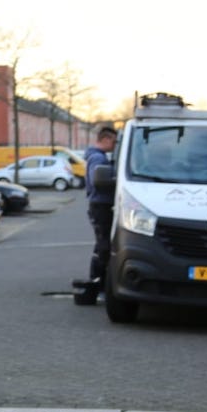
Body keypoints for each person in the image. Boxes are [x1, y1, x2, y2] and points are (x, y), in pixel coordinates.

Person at [77, 126, 118, 305]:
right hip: (101, 205)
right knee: (103, 246)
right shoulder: (98, 158)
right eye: (114, 142)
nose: (115, 145)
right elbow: (97, 181)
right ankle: (99, 284)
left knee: (100, 245)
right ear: (106, 139)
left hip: (100, 205)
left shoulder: (97, 156)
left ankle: (98, 281)